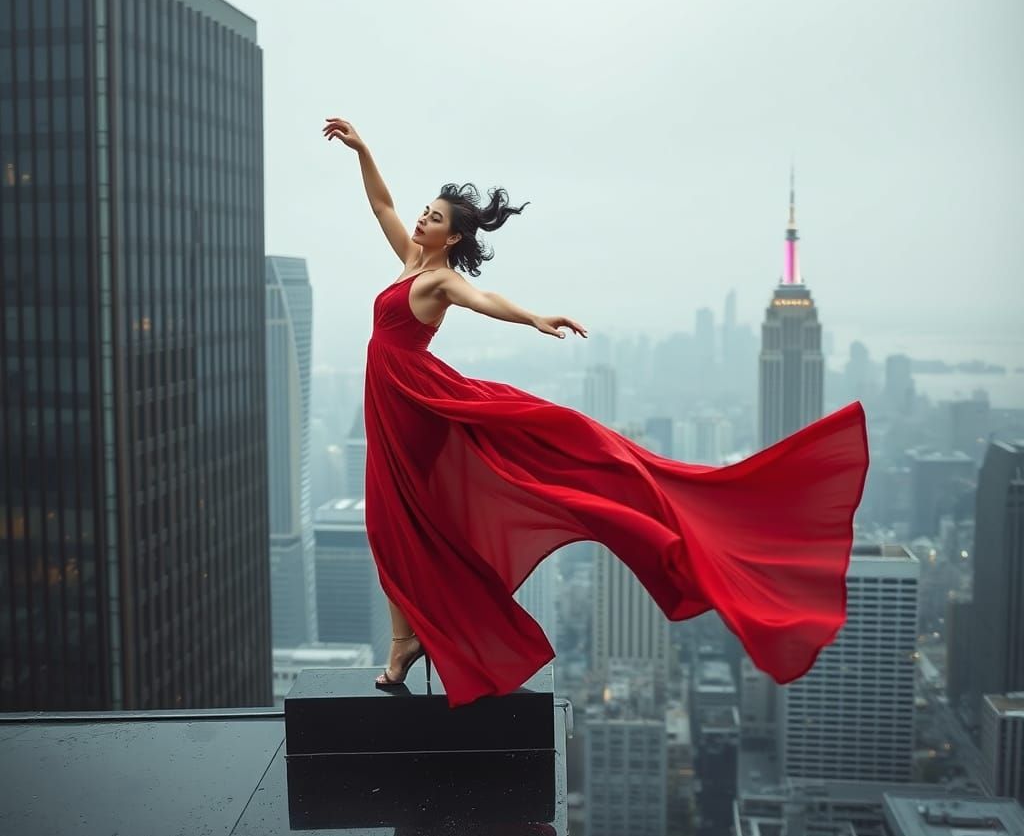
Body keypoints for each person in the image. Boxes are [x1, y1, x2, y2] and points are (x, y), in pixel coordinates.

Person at [323, 116, 870, 710]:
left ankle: (410, 643)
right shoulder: (409, 259)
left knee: (390, 524)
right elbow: (381, 205)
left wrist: (533, 316)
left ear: (452, 239)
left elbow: (485, 299)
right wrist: (364, 150)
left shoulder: (440, 281)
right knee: (391, 526)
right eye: (425, 211)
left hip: (415, 405)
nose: (422, 218)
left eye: (434, 217)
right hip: (391, 400)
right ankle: (406, 643)